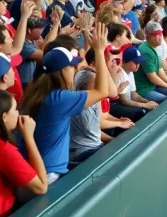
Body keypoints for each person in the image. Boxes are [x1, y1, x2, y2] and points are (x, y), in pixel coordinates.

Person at [20, 23, 111, 183]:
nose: (76, 69)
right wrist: (99, 51)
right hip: (50, 175)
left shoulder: (37, 90)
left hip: (40, 170)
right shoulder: (59, 99)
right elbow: (103, 92)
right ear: (62, 70)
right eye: (71, 66)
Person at [132, 22, 167, 102]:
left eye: (160, 34)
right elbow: (152, 77)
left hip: (152, 86)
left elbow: (160, 71)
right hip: (144, 91)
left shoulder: (153, 47)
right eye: (156, 34)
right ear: (148, 36)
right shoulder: (145, 51)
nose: (160, 37)